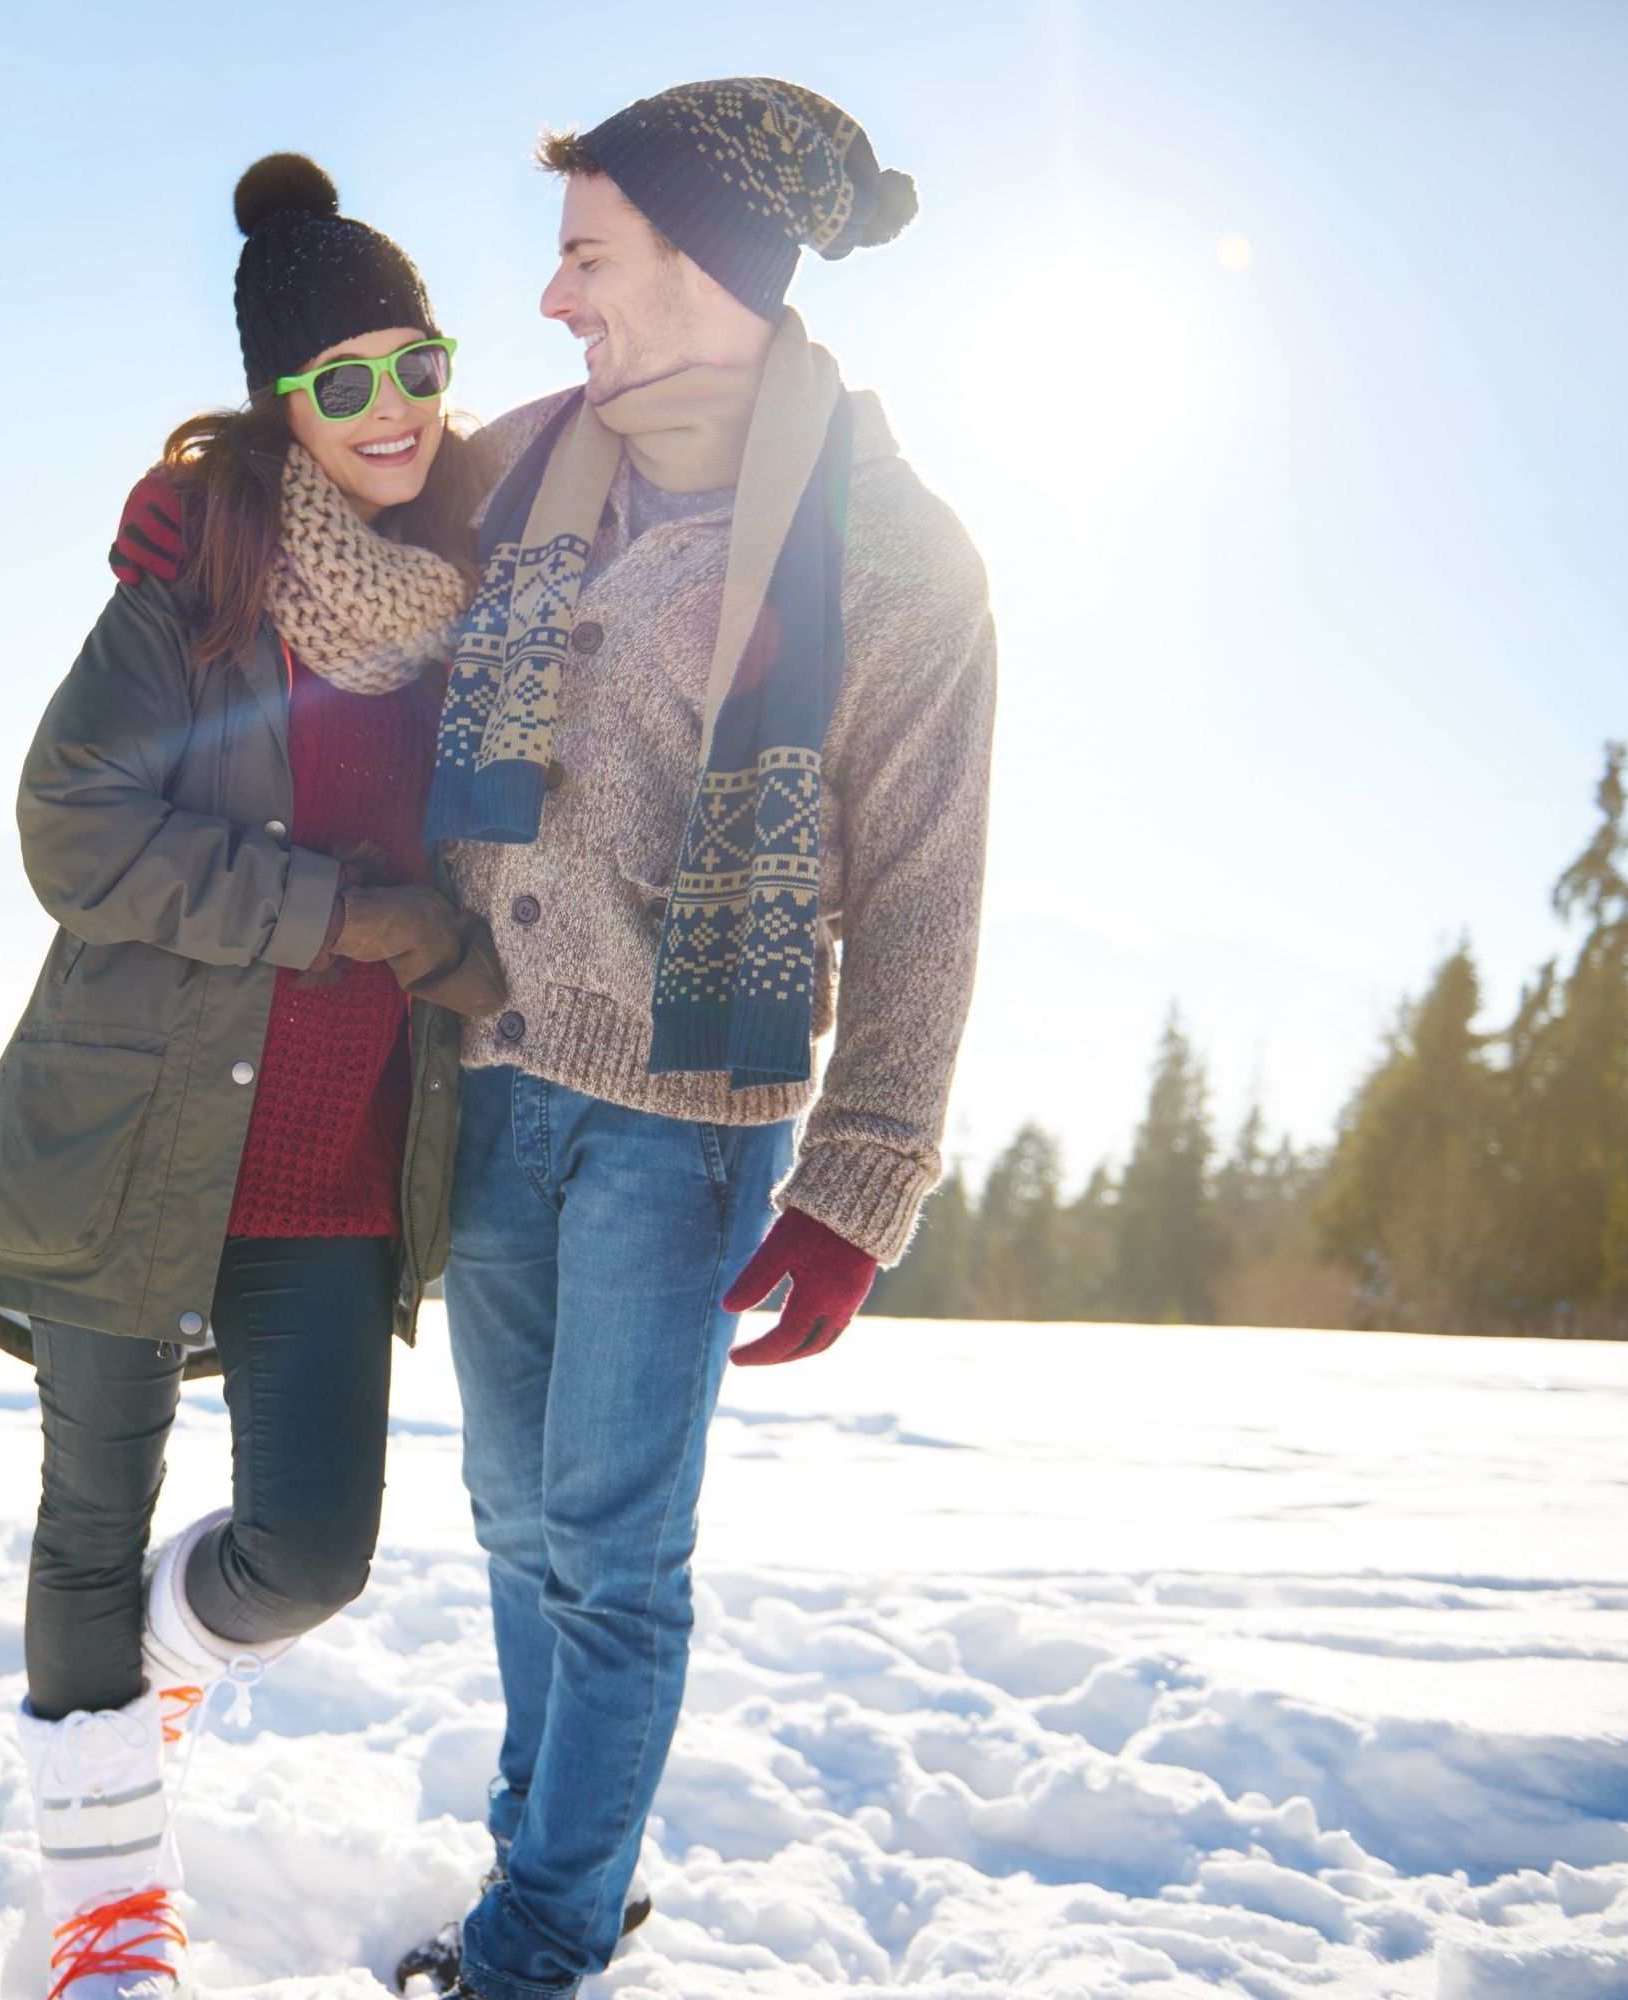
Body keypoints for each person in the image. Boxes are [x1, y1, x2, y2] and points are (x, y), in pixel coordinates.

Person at [394, 81, 998, 1999]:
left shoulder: (895, 549)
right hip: (497, 1079)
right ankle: (554, 1860)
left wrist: (860, 1183)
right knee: (509, 1521)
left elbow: (921, 889)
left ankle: (540, 1938)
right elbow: (337, 529)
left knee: (611, 1552)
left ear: (703, 264)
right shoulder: (522, 463)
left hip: (684, 1118)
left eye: (588, 254)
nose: (553, 297)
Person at [0, 154, 503, 2000]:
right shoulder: (199, 588)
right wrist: (362, 919)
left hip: (335, 1163)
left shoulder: (473, 593)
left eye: (415, 363)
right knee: (87, 1517)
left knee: (312, 1550)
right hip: (136, 1135)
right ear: (281, 405)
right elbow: (70, 832)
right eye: (341, 382)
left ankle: (151, 1665)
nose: (390, 409)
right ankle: (106, 1910)